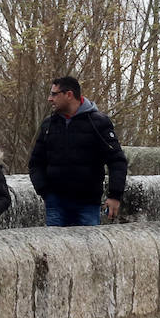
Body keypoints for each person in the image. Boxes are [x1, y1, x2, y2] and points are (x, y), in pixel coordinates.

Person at [28, 75, 129, 226]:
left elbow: (117, 161)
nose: (50, 99)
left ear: (69, 95)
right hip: (56, 203)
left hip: (87, 204)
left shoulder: (98, 123)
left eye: (54, 94)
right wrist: (44, 191)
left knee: (89, 248)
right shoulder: (49, 125)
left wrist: (115, 195)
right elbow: (35, 162)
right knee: (55, 248)